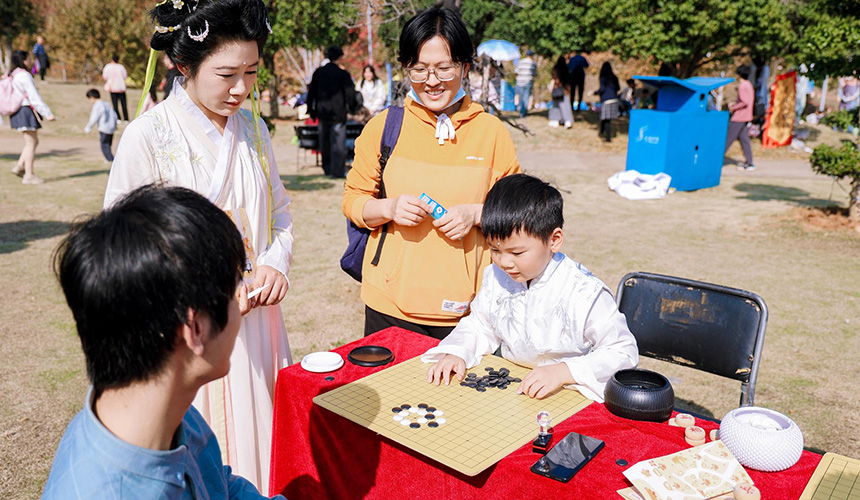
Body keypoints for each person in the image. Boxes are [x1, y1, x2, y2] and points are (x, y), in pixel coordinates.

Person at [103, 0, 294, 490]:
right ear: (182, 65)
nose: (241, 89)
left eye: (251, 72)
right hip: (189, 330)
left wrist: (275, 262)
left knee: (266, 448)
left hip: (258, 324)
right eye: (227, 73)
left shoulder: (254, 131)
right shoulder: (146, 136)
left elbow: (280, 214)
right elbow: (126, 247)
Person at [42, 185, 284, 500]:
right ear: (195, 327)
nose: (242, 301)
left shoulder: (170, 409)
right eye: (235, 288)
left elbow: (222, 488)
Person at [343, 7, 521, 339]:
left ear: (465, 66)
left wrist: (476, 214)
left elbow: (516, 213)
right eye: (420, 69)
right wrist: (389, 208)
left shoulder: (492, 132)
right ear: (406, 68)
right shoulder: (384, 127)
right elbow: (353, 201)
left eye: (444, 67)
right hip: (388, 306)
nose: (432, 81)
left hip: (470, 311)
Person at [422, 174, 638, 401]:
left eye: (517, 253)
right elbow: (480, 325)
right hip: (513, 389)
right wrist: (457, 352)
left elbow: (622, 351)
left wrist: (564, 371)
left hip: (569, 392)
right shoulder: (497, 275)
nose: (504, 262)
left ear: (554, 240)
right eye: (495, 250)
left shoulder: (584, 292)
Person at [307, 46, 358, 178]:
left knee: (325, 142)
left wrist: (310, 110)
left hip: (322, 112)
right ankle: (337, 171)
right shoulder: (343, 74)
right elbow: (350, 93)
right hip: (338, 113)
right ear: (339, 57)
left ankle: (327, 168)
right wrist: (353, 108)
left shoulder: (318, 72)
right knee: (338, 143)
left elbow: (311, 92)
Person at [7, 50, 56, 185]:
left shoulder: (14, 74)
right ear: (23, 61)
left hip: (19, 111)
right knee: (31, 143)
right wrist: (48, 113)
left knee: (32, 142)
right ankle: (29, 175)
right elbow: (34, 97)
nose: (30, 61)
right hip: (25, 110)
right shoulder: (24, 75)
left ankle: (19, 166)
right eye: (28, 59)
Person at [725, 65, 755, 171]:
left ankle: (715, 160)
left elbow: (744, 101)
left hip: (739, 117)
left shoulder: (742, 85)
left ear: (739, 74)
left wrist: (734, 107)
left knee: (727, 139)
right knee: (744, 139)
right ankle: (749, 162)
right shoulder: (749, 84)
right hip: (746, 116)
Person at [83, 89, 118, 163]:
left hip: (104, 127)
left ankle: (110, 159)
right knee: (108, 144)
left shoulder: (98, 105)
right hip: (111, 127)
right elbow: (114, 115)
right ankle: (110, 158)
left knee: (104, 144)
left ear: (92, 97)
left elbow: (94, 117)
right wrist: (115, 124)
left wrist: (88, 127)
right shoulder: (107, 104)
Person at [594, 61, 620, 142]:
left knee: (606, 119)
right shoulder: (614, 77)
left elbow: (602, 89)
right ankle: (602, 133)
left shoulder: (603, 78)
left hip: (606, 100)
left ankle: (608, 138)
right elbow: (618, 88)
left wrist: (595, 93)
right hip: (614, 99)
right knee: (606, 118)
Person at [102, 55, 129, 122]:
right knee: (123, 104)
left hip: (112, 87)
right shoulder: (121, 67)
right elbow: (125, 76)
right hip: (121, 87)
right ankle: (126, 118)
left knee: (115, 104)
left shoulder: (108, 67)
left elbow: (105, 76)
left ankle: (118, 118)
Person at [548, 56, 573, 128]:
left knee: (556, 106)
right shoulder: (566, 69)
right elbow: (568, 80)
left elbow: (554, 78)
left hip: (556, 89)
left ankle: (556, 120)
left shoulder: (555, 69)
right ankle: (567, 121)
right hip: (564, 90)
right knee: (565, 106)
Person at [514, 49, 537, 118]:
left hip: (519, 82)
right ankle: (523, 112)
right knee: (526, 97)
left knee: (521, 97)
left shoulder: (521, 61)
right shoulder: (532, 63)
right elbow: (534, 73)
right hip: (528, 82)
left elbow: (516, 72)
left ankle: (521, 111)